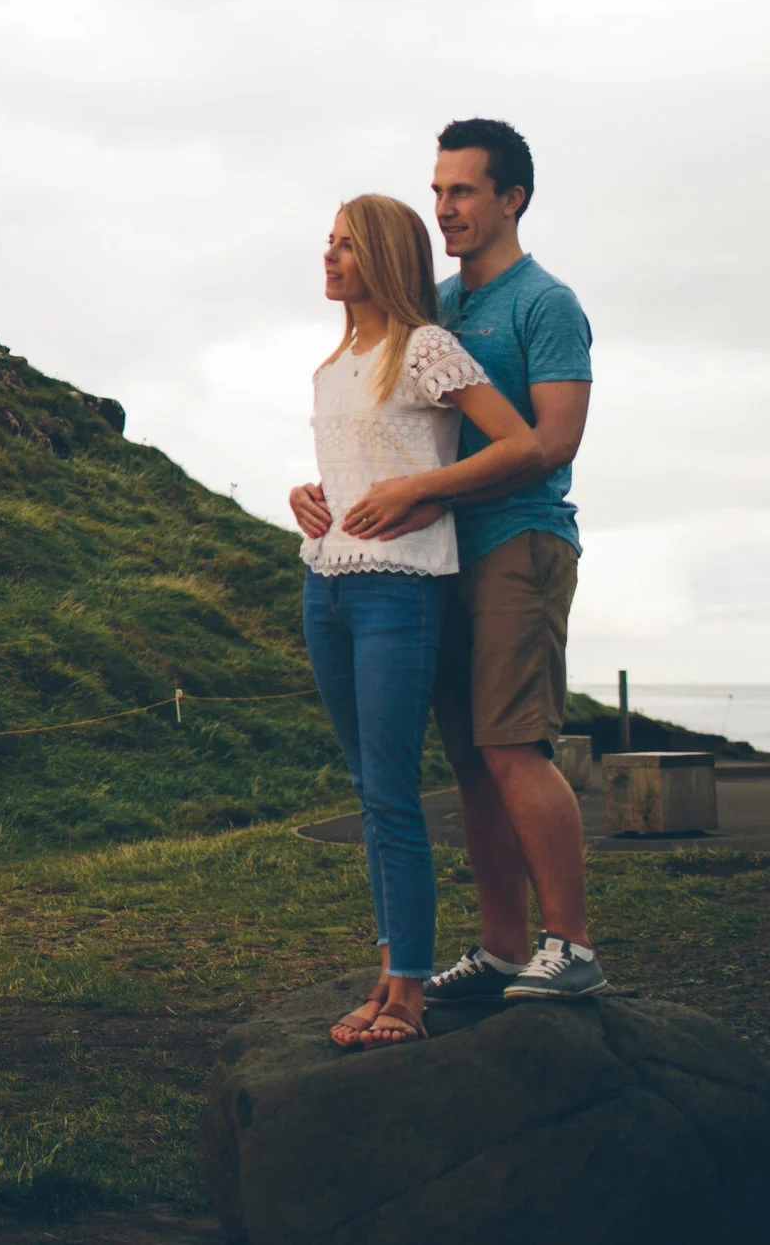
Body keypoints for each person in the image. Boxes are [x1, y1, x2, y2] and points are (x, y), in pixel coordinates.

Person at [298, 119, 606, 1003]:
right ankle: (505, 946)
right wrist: (328, 490)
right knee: (470, 758)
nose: (444, 208)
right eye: (437, 191)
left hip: (519, 537)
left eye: (463, 191)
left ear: (512, 198)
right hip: (435, 556)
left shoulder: (546, 304)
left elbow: (551, 440)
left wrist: (422, 492)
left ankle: (573, 944)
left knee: (513, 744)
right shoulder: (435, 302)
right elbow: (386, 423)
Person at [291, 194, 542, 1048]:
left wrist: (420, 491)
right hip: (324, 588)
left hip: (402, 590)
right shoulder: (332, 363)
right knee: (370, 795)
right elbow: (356, 463)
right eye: (328, 243)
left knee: (394, 796)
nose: (329, 257)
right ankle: (391, 966)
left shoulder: (426, 347)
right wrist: (306, 496)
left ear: (388, 258)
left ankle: (407, 994)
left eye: (348, 246)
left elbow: (519, 442)